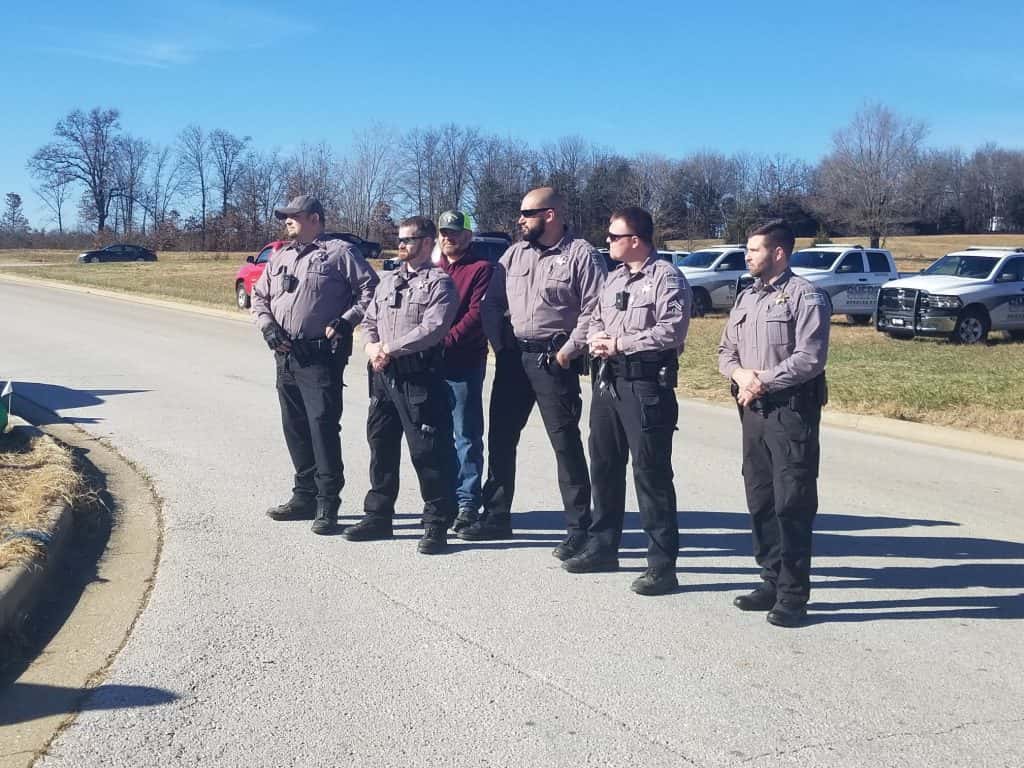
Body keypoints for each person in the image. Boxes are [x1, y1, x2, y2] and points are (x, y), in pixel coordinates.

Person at [464, 187, 606, 562]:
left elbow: (595, 310)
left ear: (550, 215)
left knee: (565, 444)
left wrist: (568, 351)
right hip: (514, 359)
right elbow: (492, 304)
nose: (520, 220)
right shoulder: (514, 254)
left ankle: (579, 528)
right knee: (501, 438)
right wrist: (502, 347)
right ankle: (496, 515)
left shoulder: (581, 255)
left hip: (553, 360)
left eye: (527, 213)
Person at [571, 207, 690, 595]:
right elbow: (595, 317)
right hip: (609, 383)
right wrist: (596, 337)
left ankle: (662, 566)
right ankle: (603, 547)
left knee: (650, 474)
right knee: (604, 466)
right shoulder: (613, 278)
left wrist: (621, 343)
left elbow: (672, 330)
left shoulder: (666, 277)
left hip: (645, 386)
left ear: (635, 240)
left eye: (613, 237)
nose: (607, 242)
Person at [717, 219, 831, 627]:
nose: (747, 256)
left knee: (791, 502)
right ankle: (770, 579)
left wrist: (761, 381)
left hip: (790, 412)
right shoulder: (746, 297)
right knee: (761, 498)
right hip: (752, 411)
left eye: (754, 249)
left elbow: (810, 358)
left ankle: (793, 595)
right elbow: (725, 350)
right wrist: (739, 374)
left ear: (778, 253)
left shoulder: (806, 296)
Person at [252, 194, 378, 535]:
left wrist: (347, 320)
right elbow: (259, 296)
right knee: (294, 427)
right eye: (285, 216)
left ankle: (327, 502)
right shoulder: (280, 255)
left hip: (321, 356)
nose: (287, 221)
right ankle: (304, 496)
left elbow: (371, 290)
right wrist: (267, 327)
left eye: (294, 216)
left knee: (322, 427)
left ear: (315, 219)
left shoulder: (339, 253)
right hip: (285, 355)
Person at [344, 216, 460, 554]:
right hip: (383, 377)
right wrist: (371, 347)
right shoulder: (387, 281)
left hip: (419, 378)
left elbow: (433, 328)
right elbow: (369, 320)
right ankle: (378, 516)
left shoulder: (439, 284)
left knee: (428, 452)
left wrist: (389, 349)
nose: (401, 245)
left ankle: (436, 523)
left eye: (408, 239)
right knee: (380, 445)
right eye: (400, 239)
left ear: (427, 242)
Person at [435, 210, 493, 532]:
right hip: (432, 363)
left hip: (464, 362)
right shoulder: (433, 270)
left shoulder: (482, 269)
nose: (448, 238)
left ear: (468, 236)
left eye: (455, 232)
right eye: (444, 232)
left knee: (466, 435)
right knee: (437, 433)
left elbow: (477, 314)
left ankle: (468, 502)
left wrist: (443, 341)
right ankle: (444, 498)